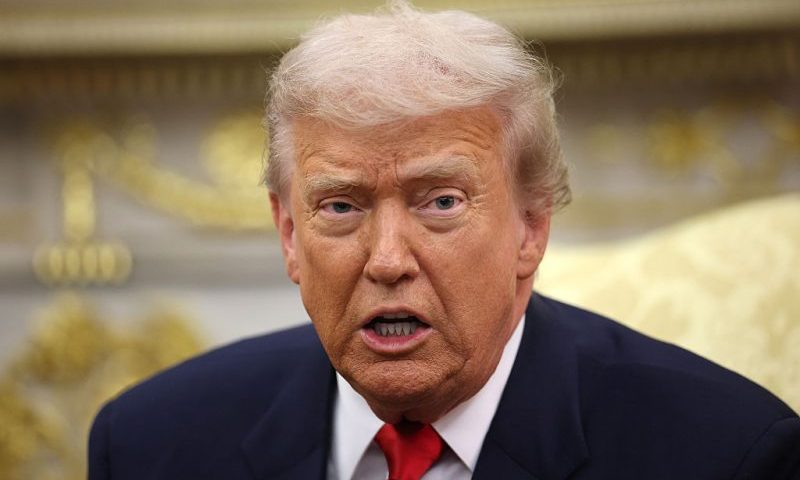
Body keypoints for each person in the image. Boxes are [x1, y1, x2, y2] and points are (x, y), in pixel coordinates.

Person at [88, 2, 800, 479]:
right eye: (340, 206)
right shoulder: (151, 445)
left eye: (441, 202)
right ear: (288, 235)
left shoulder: (726, 455)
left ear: (532, 227)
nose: (389, 260)